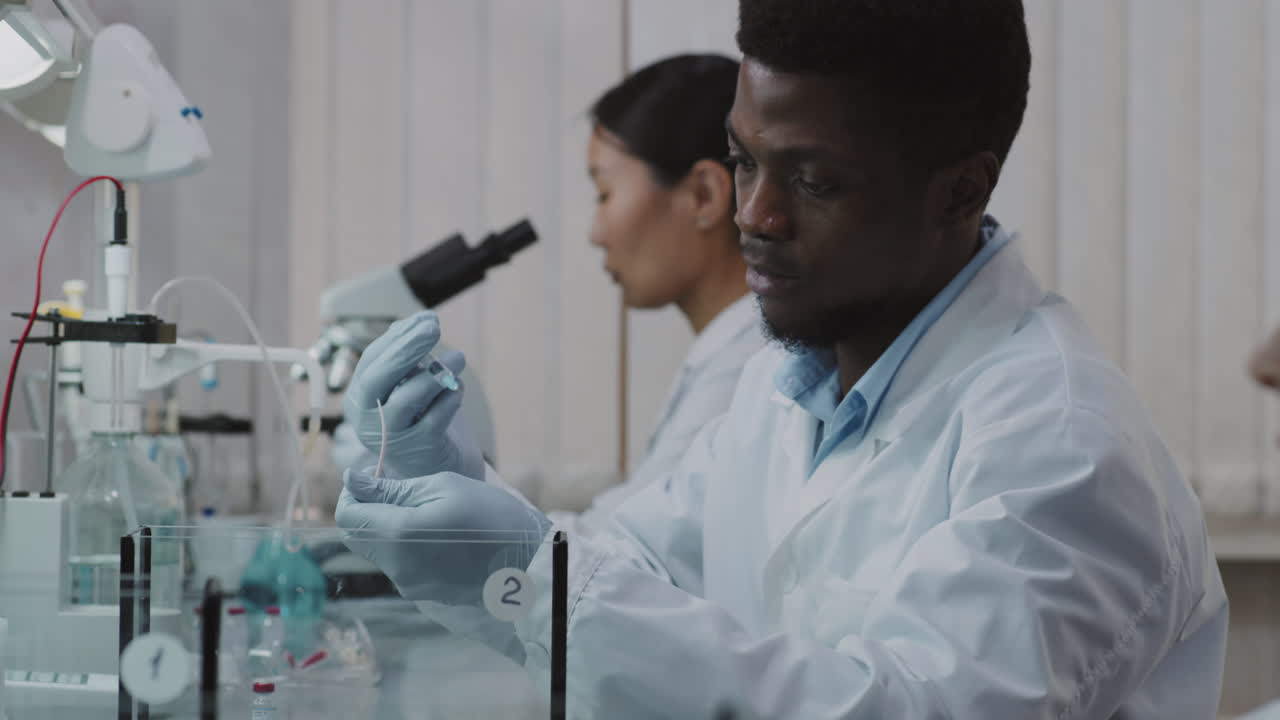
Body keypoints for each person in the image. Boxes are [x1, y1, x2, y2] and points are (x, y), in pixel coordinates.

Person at [335, 1, 1228, 717]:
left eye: (813, 182)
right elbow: (638, 562)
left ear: (962, 189)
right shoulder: (788, 385)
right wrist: (467, 515)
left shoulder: (1062, 447)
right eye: (743, 160)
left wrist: (527, 578)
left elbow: (913, 707)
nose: (753, 215)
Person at [339, 55, 764, 530]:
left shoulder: (747, 373)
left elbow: (632, 556)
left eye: (604, 194)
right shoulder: (724, 358)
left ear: (704, 194)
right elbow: (633, 533)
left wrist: (459, 496)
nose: (595, 233)